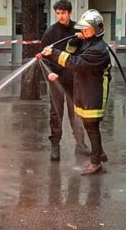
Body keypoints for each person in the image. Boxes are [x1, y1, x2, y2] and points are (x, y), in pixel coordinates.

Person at [41, 9, 111, 175]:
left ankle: (96, 162)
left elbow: (75, 62)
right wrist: (75, 39)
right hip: (86, 89)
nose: (83, 32)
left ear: (97, 29)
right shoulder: (89, 42)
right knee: (88, 124)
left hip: (94, 91)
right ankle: (98, 152)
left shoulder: (98, 49)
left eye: (86, 29)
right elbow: (72, 51)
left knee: (92, 126)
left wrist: (54, 53)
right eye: (82, 29)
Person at [39, 0, 90, 161]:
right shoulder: (50, 32)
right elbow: (44, 55)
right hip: (57, 79)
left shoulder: (78, 29)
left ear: (70, 12)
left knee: (76, 112)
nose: (60, 16)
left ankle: (80, 144)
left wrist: (83, 38)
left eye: (63, 13)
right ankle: (55, 146)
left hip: (75, 79)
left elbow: (87, 51)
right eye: (58, 13)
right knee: (56, 113)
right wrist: (50, 73)